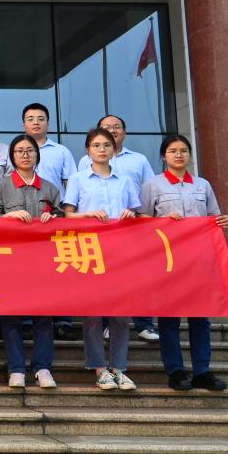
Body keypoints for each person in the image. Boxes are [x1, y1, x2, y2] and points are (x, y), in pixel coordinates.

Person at [139, 133, 228, 392]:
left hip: (199, 260)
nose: (179, 155)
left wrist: (223, 220)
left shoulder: (202, 185)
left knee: (200, 318)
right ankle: (176, 371)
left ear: (189, 155)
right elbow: (140, 218)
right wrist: (163, 221)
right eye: (173, 151)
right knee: (169, 319)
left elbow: (213, 216)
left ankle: (202, 371)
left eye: (183, 151)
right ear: (163, 156)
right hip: (167, 260)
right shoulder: (153, 185)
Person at [63, 126, 140, 392]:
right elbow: (68, 215)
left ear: (114, 149)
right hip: (90, 252)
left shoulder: (125, 180)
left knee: (121, 314)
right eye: (96, 145)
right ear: (88, 150)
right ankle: (99, 368)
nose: (102, 149)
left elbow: (136, 213)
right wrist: (87, 215)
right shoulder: (78, 179)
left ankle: (119, 368)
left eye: (106, 145)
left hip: (121, 252)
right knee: (93, 314)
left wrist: (130, 215)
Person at [77, 114, 159, 342]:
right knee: (102, 282)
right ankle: (106, 324)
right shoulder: (84, 164)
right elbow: (78, 200)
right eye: (106, 127)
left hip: (128, 231)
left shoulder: (138, 160)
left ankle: (144, 324)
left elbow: (147, 192)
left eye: (116, 127)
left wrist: (140, 214)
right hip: (94, 235)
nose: (111, 131)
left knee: (135, 278)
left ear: (124, 132)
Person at [0, 134, 62, 389]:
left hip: (43, 261)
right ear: (12, 156)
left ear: (37, 155)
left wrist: (53, 218)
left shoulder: (50, 188)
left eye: (30, 150)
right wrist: (7, 217)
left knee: (43, 317)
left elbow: (62, 217)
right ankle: (17, 369)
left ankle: (43, 367)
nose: (25, 155)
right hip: (10, 261)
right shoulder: (1, 187)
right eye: (19, 151)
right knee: (11, 316)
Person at [22, 102, 79, 340]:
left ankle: (63, 319)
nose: (36, 122)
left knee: (59, 268)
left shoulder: (61, 151)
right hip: (26, 220)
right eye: (31, 119)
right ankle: (27, 318)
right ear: (24, 124)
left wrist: (67, 213)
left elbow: (71, 183)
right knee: (28, 271)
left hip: (55, 216)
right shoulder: (18, 149)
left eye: (40, 118)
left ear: (48, 122)